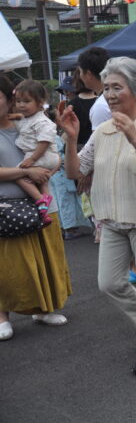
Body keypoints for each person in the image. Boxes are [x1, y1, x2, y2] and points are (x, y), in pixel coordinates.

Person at [62, 57, 136, 374]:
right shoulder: (102, 131)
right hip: (111, 220)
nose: (110, 95)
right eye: (107, 88)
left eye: (117, 88)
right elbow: (75, 171)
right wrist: (71, 138)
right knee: (109, 283)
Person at [0, 74, 70, 342]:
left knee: (45, 258)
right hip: (6, 207)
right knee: (7, 267)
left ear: (9, 98)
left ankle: (43, 308)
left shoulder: (28, 123)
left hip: (41, 204)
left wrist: (47, 169)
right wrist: (26, 171)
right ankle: (2, 316)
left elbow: (55, 155)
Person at [9, 80, 60, 224]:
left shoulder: (41, 121)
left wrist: (32, 160)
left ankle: (40, 199)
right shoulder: (28, 118)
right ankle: (46, 208)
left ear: (40, 102)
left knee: (18, 174)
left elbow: (44, 142)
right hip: (45, 157)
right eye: (18, 101)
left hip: (42, 156)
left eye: (26, 101)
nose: (21, 105)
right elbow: (17, 119)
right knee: (43, 182)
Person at [78, 46, 111, 130]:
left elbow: (100, 138)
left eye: (80, 72)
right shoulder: (115, 97)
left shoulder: (100, 106)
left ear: (88, 74)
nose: (80, 76)